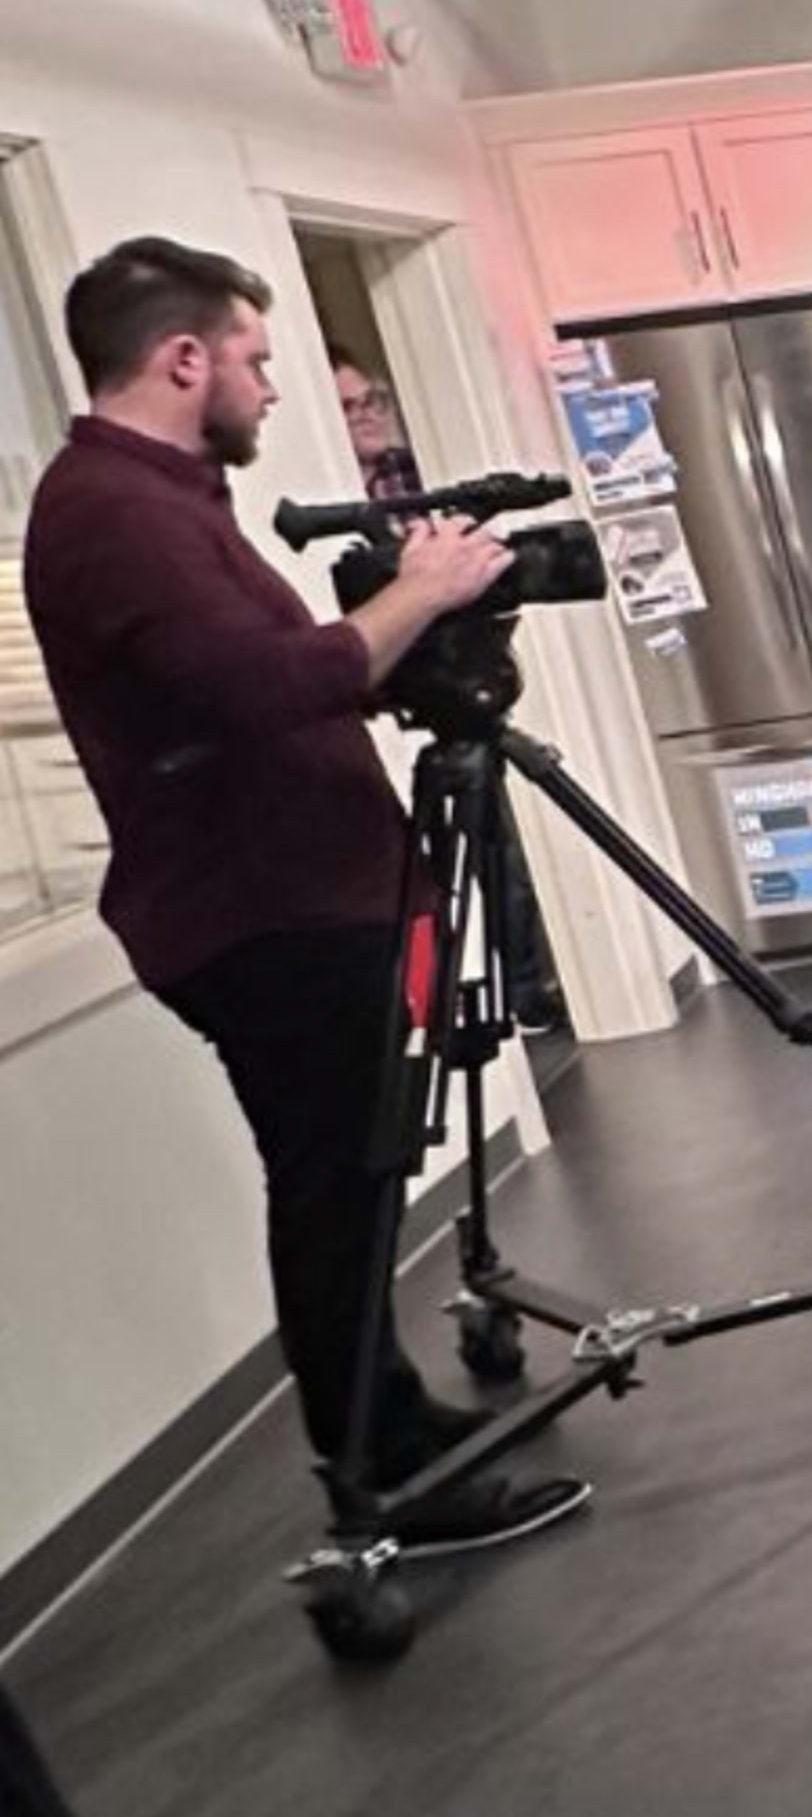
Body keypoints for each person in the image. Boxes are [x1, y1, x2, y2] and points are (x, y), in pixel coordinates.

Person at [19, 236, 594, 1555]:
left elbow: (262, 681)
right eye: (257, 358)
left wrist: (397, 638)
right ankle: (379, 1481)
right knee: (335, 1187)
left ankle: (389, 1427)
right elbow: (265, 687)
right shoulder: (115, 512)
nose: (272, 387)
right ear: (184, 358)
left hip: (303, 896)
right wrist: (421, 592)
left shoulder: (162, 496)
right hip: (266, 916)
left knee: (356, 1179)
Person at [328, 348, 421, 502]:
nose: (369, 415)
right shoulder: (323, 488)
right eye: (347, 407)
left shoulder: (414, 469)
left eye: (370, 400)